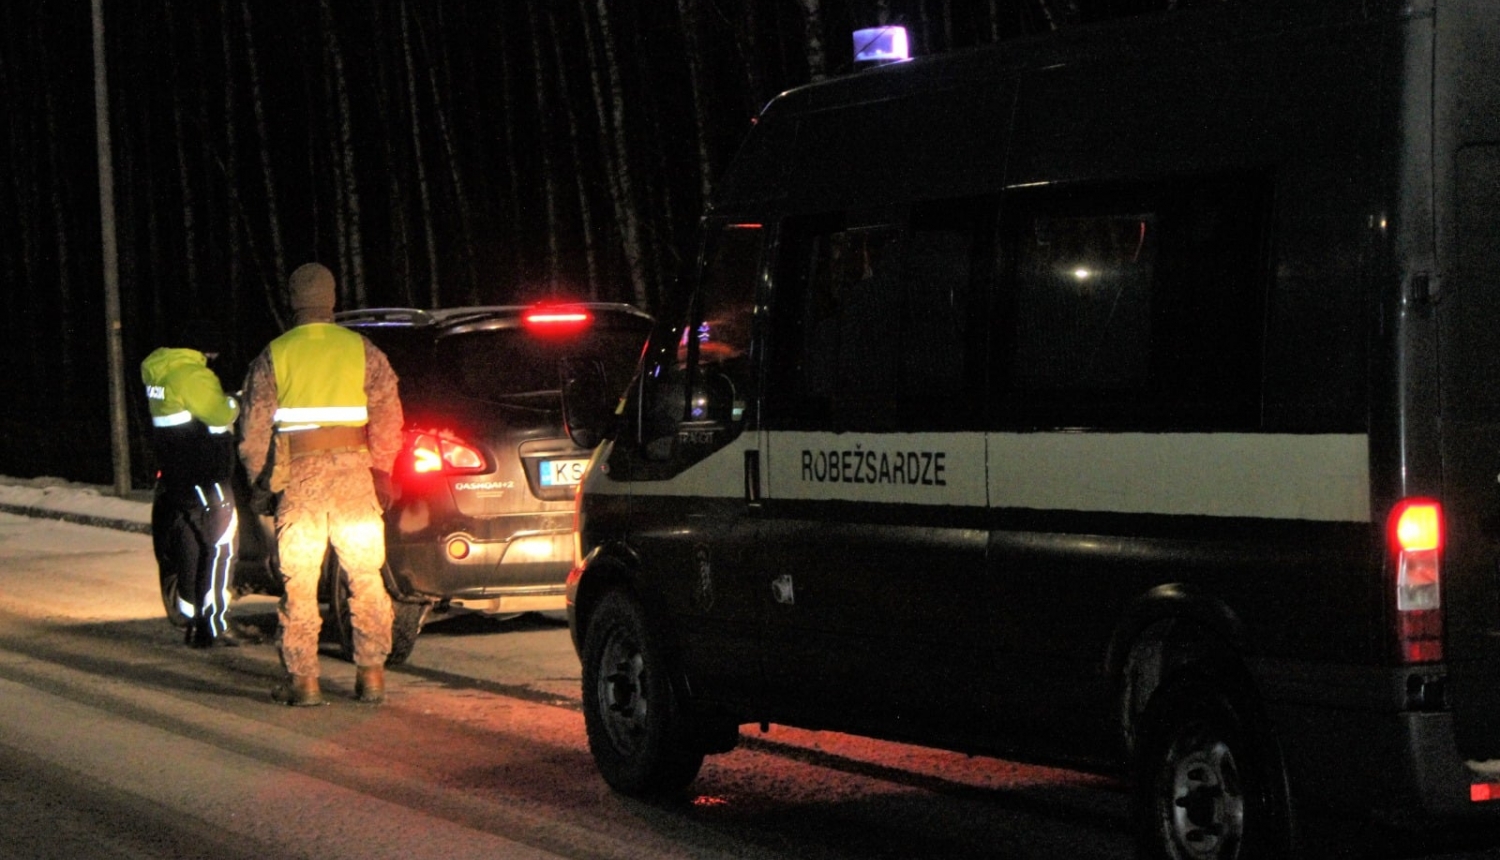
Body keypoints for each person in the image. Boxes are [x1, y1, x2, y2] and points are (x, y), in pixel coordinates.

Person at [239, 262, 404, 706]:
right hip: (355, 479)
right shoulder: (362, 350)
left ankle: (304, 681)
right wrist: (383, 469)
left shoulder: (275, 354)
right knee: (365, 576)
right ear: (331, 299)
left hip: (300, 479)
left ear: (294, 300)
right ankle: (371, 675)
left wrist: (262, 482)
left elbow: (253, 429)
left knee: (300, 583)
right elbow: (388, 413)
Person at [141, 319, 241, 647]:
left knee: (193, 544)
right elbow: (219, 414)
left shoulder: (159, 371)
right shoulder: (193, 375)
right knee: (222, 546)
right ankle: (210, 625)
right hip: (204, 474)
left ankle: (191, 611)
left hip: (178, 475)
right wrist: (234, 402)